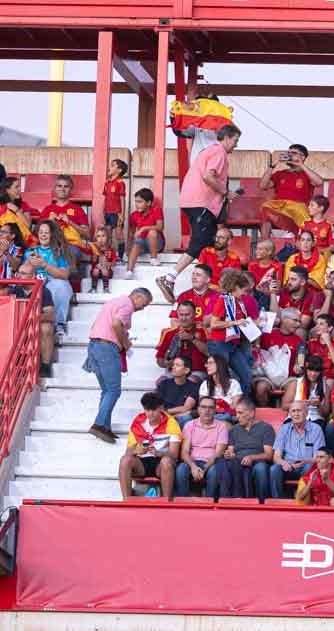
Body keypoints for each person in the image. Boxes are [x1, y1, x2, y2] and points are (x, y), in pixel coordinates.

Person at [160, 123, 241, 296]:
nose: (236, 144)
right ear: (226, 138)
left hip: (196, 202)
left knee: (212, 243)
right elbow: (208, 176)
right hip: (201, 203)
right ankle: (170, 277)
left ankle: (215, 286)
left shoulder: (209, 150)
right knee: (199, 243)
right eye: (235, 140)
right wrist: (226, 192)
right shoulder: (219, 152)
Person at [86, 287, 153, 442]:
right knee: (114, 391)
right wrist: (125, 343)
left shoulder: (114, 302)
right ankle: (99, 425)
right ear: (137, 296)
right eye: (144, 303)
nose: (143, 308)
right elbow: (116, 324)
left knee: (107, 390)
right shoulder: (128, 304)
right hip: (107, 348)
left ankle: (106, 426)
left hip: (95, 345)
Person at [118, 391, 182, 500]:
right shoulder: (138, 422)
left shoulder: (171, 423)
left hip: (161, 463)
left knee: (166, 461)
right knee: (125, 460)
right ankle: (126, 501)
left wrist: (159, 453)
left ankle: (167, 501)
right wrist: (137, 451)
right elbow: (128, 452)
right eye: (147, 410)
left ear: (161, 408)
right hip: (142, 463)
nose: (150, 414)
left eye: (154, 410)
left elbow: (174, 454)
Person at [177, 397, 228, 497]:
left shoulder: (221, 426)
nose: (207, 411)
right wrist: (193, 467)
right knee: (181, 469)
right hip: (192, 461)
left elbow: (218, 453)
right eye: (203, 407)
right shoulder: (189, 425)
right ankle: (183, 503)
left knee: (214, 471)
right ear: (198, 409)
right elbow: (184, 452)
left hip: (212, 462)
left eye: (211, 408)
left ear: (215, 410)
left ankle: (210, 504)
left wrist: (204, 469)